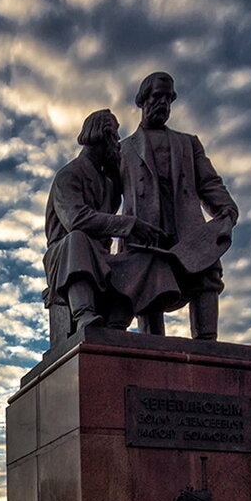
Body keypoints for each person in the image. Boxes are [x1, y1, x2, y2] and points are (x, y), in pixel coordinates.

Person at [118, 72, 239, 339]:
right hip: (145, 232)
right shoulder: (123, 149)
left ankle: (208, 347)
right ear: (142, 99)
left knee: (207, 277)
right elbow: (107, 203)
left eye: (168, 98)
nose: (163, 102)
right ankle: (152, 350)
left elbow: (208, 182)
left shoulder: (188, 142)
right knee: (147, 292)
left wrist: (226, 209)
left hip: (187, 226)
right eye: (157, 96)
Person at [44, 109, 175, 334]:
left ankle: (117, 322)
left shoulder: (108, 183)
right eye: (114, 136)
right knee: (78, 238)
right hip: (65, 255)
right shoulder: (68, 175)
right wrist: (129, 224)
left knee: (147, 258)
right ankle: (83, 313)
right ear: (103, 136)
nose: (117, 143)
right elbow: (76, 219)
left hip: (101, 259)